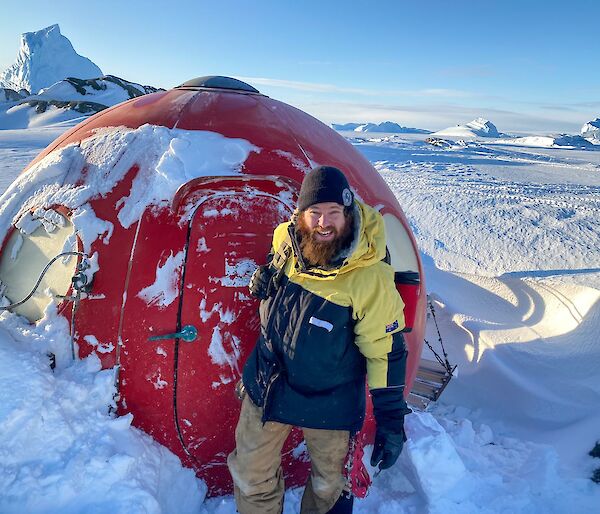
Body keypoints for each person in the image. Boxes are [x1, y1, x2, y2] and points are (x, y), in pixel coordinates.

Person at [227, 165, 411, 514]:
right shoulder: (286, 237)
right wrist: (265, 277)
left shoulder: (369, 278)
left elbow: (385, 351)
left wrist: (391, 420)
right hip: (268, 381)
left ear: (348, 214)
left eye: (333, 213)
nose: (324, 224)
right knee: (251, 475)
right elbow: (274, 266)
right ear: (301, 215)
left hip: (333, 398)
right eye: (315, 213)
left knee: (330, 487)